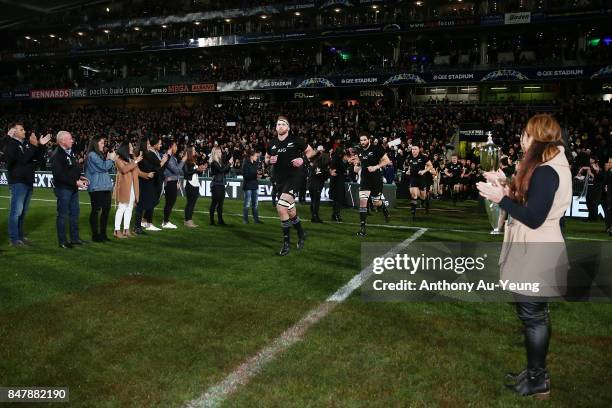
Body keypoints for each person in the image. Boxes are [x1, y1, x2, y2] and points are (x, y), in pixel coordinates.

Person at [477, 114, 572, 398]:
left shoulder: (547, 169)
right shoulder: (548, 165)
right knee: (534, 315)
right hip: (535, 249)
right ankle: (535, 374)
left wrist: (500, 199)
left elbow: (533, 217)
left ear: (537, 137)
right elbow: (530, 200)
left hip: (536, 252)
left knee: (533, 316)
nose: (522, 140)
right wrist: (505, 183)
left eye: (526, 135)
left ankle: (537, 379)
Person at [265, 116, 315, 256]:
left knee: (281, 207)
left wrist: (302, 159)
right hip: (279, 180)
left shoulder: (296, 140)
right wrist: (270, 160)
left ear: (288, 127)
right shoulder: (272, 143)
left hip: (294, 178)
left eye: (283, 124)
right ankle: (301, 234)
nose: (280, 126)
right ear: (275, 128)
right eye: (278, 124)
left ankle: (286, 243)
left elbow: (311, 151)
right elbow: (266, 158)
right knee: (291, 211)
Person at [4, 122, 51, 247]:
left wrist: (40, 146)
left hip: (28, 181)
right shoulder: (11, 145)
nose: (24, 131)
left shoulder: (24, 144)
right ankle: (14, 239)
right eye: (21, 129)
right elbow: (23, 159)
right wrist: (32, 146)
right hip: (18, 181)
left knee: (23, 212)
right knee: (16, 212)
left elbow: (39, 158)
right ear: (13, 132)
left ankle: (20, 237)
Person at [51, 131, 89, 249]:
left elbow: (70, 169)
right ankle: (62, 241)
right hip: (64, 189)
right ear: (62, 141)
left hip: (72, 188)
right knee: (63, 215)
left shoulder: (69, 152)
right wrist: (75, 182)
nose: (72, 140)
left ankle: (75, 239)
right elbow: (59, 175)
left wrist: (79, 177)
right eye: (70, 139)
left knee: (74, 214)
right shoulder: (57, 155)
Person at [351, 133, 391, 237]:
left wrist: (376, 167)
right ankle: (362, 228)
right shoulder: (359, 150)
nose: (363, 142)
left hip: (376, 179)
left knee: (376, 202)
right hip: (365, 179)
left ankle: (384, 209)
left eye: (364, 140)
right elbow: (359, 162)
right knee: (363, 202)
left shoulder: (377, 148)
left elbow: (387, 161)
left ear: (369, 140)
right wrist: (356, 166)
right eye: (361, 140)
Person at [84, 136, 116, 242]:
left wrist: (109, 160)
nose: (104, 145)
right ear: (95, 144)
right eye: (102, 143)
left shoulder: (98, 154)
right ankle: (95, 235)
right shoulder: (92, 155)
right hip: (96, 187)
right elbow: (103, 166)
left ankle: (103, 234)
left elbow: (107, 167)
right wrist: (111, 159)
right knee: (96, 211)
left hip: (104, 186)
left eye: (104, 143)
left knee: (106, 211)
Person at [134, 136, 168, 234]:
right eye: (148, 144)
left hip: (149, 182)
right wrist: (161, 163)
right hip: (143, 182)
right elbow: (148, 168)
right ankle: (137, 227)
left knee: (148, 203)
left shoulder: (147, 155)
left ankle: (142, 224)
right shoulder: (142, 156)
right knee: (140, 205)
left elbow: (154, 167)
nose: (149, 146)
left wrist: (159, 165)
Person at [113, 141, 144, 239]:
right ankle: (117, 230)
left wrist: (147, 175)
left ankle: (126, 229)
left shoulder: (132, 158)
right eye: (130, 146)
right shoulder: (118, 159)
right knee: (122, 207)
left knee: (130, 208)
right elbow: (124, 169)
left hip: (132, 187)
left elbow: (137, 171)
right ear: (125, 148)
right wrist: (136, 161)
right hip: (124, 186)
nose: (132, 148)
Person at [162, 140, 186, 229]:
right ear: (170, 147)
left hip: (173, 181)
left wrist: (178, 180)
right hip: (169, 182)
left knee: (170, 202)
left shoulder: (173, 157)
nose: (177, 148)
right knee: (169, 202)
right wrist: (183, 161)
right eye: (175, 146)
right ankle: (165, 222)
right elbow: (176, 170)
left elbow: (178, 171)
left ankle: (165, 221)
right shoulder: (168, 157)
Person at [404, 145, 433, 219]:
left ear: (418, 150)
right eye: (412, 149)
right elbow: (410, 166)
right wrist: (408, 171)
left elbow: (431, 166)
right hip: (413, 178)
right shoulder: (409, 157)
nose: (413, 150)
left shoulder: (423, 157)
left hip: (421, 179)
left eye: (415, 149)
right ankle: (413, 213)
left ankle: (426, 202)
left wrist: (424, 171)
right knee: (414, 195)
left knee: (423, 197)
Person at [209, 146, 233, 225]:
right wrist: (229, 163)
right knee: (214, 203)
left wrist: (230, 166)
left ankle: (220, 220)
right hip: (216, 185)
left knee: (220, 204)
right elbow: (221, 170)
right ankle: (212, 221)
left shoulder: (220, 162)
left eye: (220, 152)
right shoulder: (213, 163)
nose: (220, 153)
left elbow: (224, 172)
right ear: (215, 153)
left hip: (221, 184)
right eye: (219, 152)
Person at [183, 146, 206, 228]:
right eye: (193, 150)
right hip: (190, 183)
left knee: (192, 203)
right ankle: (188, 220)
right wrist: (197, 169)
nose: (195, 151)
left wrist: (201, 169)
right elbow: (186, 173)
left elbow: (196, 173)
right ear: (189, 151)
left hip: (195, 183)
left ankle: (188, 220)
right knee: (190, 203)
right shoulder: (186, 161)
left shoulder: (194, 160)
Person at [308, 146, 329, 223]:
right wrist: (328, 174)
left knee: (313, 200)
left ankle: (314, 216)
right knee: (316, 201)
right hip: (315, 184)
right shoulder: (318, 162)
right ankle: (315, 217)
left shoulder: (314, 160)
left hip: (312, 183)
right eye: (322, 151)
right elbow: (319, 174)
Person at [242, 149, 262, 224]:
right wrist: (255, 176)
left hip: (255, 185)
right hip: (248, 186)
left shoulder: (256, 163)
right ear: (251, 156)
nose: (257, 157)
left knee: (255, 204)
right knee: (247, 204)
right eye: (256, 156)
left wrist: (259, 175)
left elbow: (255, 173)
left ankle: (256, 220)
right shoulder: (245, 163)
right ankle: (245, 220)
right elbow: (245, 176)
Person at [329, 146, 349, 222]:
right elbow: (342, 168)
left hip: (336, 181)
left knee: (336, 199)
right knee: (338, 199)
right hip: (337, 181)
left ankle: (334, 215)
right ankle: (336, 215)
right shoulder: (337, 159)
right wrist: (346, 163)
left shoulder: (335, 158)